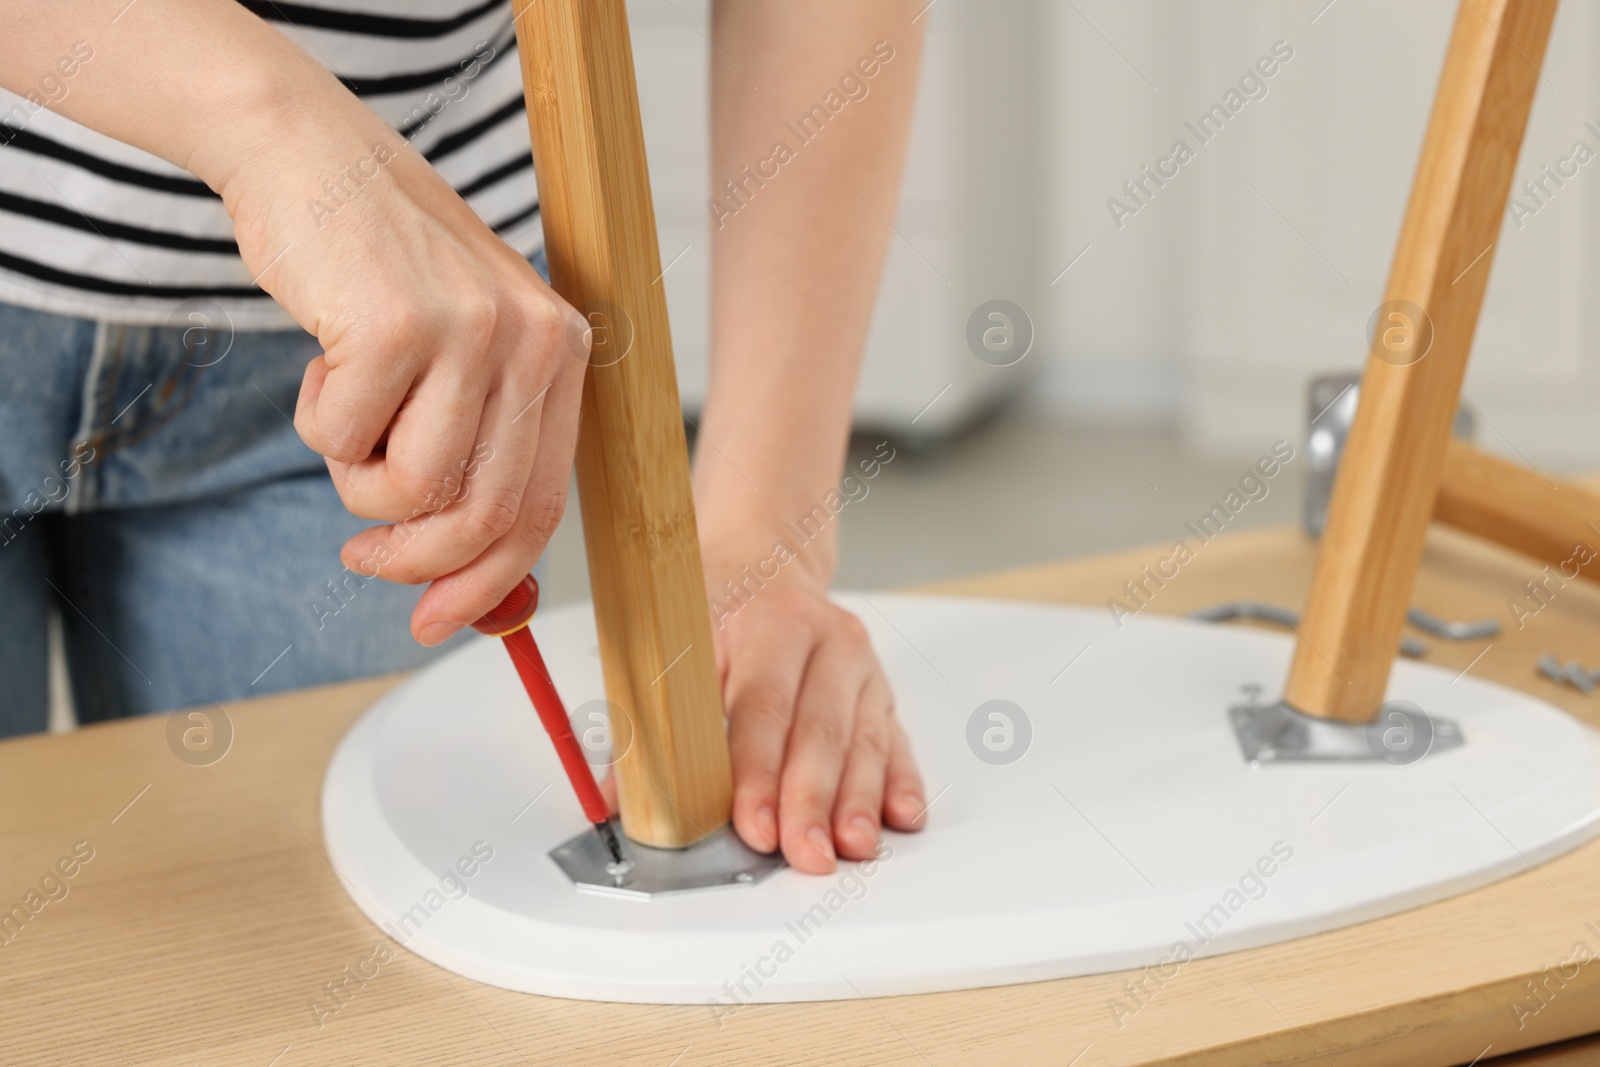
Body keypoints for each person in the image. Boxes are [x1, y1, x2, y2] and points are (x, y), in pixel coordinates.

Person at [0, 0, 927, 873]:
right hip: (377, 275)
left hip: (408, 337)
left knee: (330, 978)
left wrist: (763, 529)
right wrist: (271, 127)